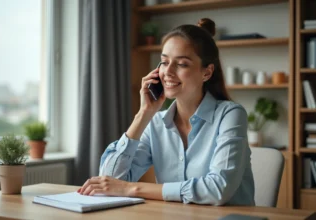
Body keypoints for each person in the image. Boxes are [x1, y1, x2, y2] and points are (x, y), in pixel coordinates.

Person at [78, 18, 255, 206]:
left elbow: (218, 189)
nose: (168, 72)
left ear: (207, 72)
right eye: (164, 62)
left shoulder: (230, 115)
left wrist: (131, 188)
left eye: (182, 64)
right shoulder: (155, 122)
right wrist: (143, 113)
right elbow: (109, 181)